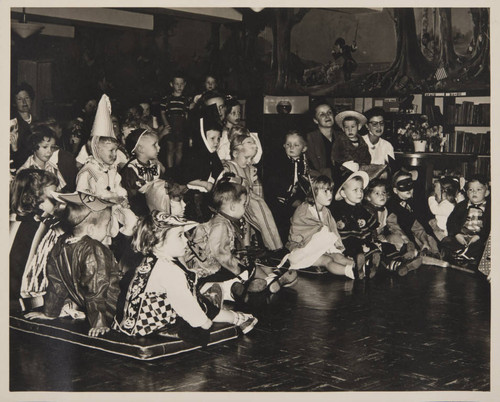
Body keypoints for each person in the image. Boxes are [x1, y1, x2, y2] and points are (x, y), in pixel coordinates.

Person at [114, 211, 258, 340]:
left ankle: (220, 295)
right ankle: (237, 317)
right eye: (179, 236)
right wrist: (204, 322)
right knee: (203, 307)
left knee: (196, 295)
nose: (185, 240)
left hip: (127, 325)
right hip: (151, 329)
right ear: (158, 243)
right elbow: (188, 307)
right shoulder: (169, 271)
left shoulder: (150, 261)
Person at [24, 192, 124, 338]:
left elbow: (56, 283)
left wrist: (50, 312)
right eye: (107, 224)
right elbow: (96, 288)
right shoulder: (94, 249)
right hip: (114, 309)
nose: (108, 230)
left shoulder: (61, 243)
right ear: (91, 229)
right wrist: (99, 322)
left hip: (91, 307)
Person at [222, 134, 283, 252]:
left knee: (263, 211)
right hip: (233, 200)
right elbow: (225, 178)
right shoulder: (228, 165)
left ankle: (274, 247)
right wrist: (242, 181)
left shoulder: (249, 168)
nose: (249, 161)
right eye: (246, 158)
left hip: (246, 200)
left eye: (250, 159)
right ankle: (275, 248)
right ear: (235, 153)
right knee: (260, 210)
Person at [286, 175, 356, 278]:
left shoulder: (326, 211)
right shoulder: (303, 211)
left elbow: (332, 230)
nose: (330, 195)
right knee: (328, 260)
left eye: (331, 191)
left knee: (338, 256)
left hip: (322, 247)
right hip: (303, 249)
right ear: (314, 192)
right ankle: (351, 272)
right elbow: (299, 232)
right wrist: (321, 230)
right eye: (325, 191)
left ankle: (358, 266)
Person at [10, 170, 60, 308]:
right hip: (25, 300)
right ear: (36, 201)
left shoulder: (11, 219)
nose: (58, 203)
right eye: (54, 199)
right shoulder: (45, 228)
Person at [363, 179, 423, 276]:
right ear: (368, 197)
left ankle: (405, 255)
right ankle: (396, 263)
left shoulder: (384, 210)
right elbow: (368, 229)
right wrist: (376, 238)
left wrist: (385, 236)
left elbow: (388, 226)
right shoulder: (367, 211)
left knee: (395, 237)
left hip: (380, 237)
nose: (382, 195)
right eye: (377, 193)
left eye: (383, 192)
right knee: (386, 248)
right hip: (369, 240)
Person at [331, 170, 381, 279]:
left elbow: (372, 225)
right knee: (354, 249)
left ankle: (371, 264)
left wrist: (375, 238)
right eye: (355, 190)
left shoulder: (362, 208)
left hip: (362, 239)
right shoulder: (336, 209)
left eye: (361, 190)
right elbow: (331, 226)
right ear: (343, 193)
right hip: (347, 240)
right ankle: (360, 263)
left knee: (373, 247)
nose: (360, 193)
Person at [266, 130, 311, 243]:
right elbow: (274, 184)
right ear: (283, 146)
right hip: (281, 200)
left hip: (298, 198)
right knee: (283, 219)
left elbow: (305, 182)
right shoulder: (279, 162)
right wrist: (291, 199)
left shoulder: (305, 163)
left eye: (296, 145)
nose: (291, 147)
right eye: (288, 144)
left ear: (304, 148)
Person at [181, 107, 224, 222]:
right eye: (212, 138)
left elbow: (218, 171)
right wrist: (204, 184)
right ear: (203, 138)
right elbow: (187, 178)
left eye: (219, 138)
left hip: (207, 195)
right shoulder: (193, 156)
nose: (216, 142)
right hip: (193, 196)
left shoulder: (212, 155)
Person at [441, 175, 491, 269]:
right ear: (467, 193)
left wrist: (479, 236)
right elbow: (451, 221)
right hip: (462, 236)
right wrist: (456, 234)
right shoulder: (461, 206)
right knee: (446, 241)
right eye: (471, 190)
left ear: (487, 192)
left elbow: (489, 226)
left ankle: (464, 254)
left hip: (478, 238)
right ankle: (463, 253)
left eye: (479, 189)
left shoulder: (490, 208)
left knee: (483, 247)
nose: (474, 192)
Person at [386, 170, 440, 256]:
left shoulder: (416, 202)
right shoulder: (392, 206)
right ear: (395, 190)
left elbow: (420, 224)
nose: (408, 189)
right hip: (403, 239)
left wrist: (426, 240)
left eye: (410, 184)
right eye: (402, 185)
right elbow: (394, 228)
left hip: (420, 235)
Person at [121, 128, 170, 217]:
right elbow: (132, 196)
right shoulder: (131, 169)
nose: (159, 147)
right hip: (141, 211)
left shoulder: (155, 165)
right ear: (141, 149)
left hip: (158, 206)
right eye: (154, 145)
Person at [17, 126, 67, 191]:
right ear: (34, 145)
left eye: (52, 147)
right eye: (45, 147)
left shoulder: (53, 168)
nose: (50, 151)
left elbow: (60, 191)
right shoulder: (24, 172)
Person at [160, 72, 191, 170]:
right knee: (170, 149)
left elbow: (186, 114)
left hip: (181, 126)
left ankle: (177, 169)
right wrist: (166, 125)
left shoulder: (186, 100)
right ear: (171, 84)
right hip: (171, 125)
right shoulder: (166, 99)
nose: (179, 86)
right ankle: (170, 170)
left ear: (185, 85)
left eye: (181, 84)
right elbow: (162, 113)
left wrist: (187, 127)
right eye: (177, 84)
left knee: (179, 149)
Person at [331, 110, 371, 176]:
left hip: (360, 171)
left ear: (359, 127)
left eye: (353, 127)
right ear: (343, 129)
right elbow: (335, 157)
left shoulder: (362, 143)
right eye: (346, 127)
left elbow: (367, 157)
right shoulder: (340, 141)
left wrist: (364, 164)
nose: (350, 130)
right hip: (344, 172)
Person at [305, 102, 336, 179]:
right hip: (320, 181)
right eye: (322, 114)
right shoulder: (310, 138)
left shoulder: (342, 136)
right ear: (316, 120)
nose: (327, 116)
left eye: (329, 112)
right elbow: (310, 168)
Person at [11, 82, 36, 169]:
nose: (24, 102)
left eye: (27, 98)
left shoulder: (38, 122)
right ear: (14, 102)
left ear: (31, 100)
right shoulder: (12, 124)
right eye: (19, 99)